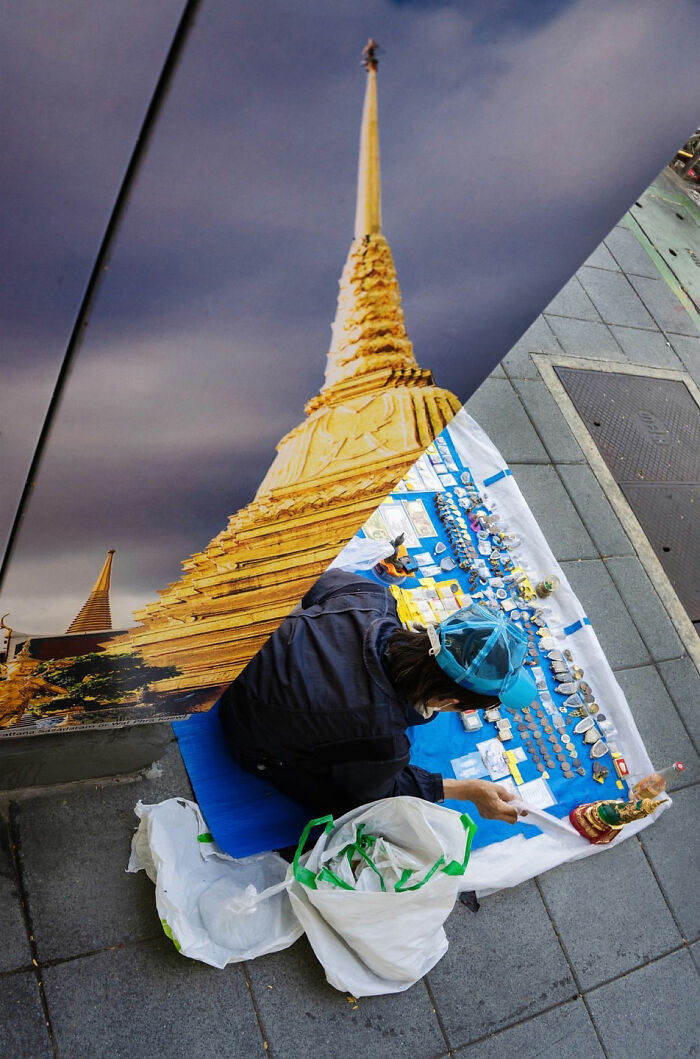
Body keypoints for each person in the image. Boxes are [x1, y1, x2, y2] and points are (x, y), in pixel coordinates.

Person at [219, 567, 538, 823]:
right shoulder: (383, 743)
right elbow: (378, 794)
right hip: (245, 729)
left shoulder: (372, 599)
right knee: (355, 811)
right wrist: (467, 789)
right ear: (449, 702)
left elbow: (313, 580)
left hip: (235, 657)